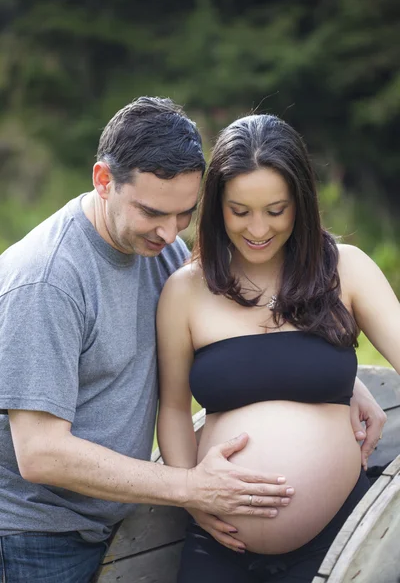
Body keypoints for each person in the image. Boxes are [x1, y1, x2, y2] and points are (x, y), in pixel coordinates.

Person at [0, 98, 384, 583]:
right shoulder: (48, 280)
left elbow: (246, 344)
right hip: (38, 539)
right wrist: (190, 488)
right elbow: (39, 452)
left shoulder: (159, 252)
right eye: (153, 213)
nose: (169, 232)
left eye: (185, 214)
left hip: (118, 523)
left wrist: (337, 375)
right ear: (103, 180)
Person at [156, 113, 394, 582]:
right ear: (216, 204)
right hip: (217, 542)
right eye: (239, 211)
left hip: (337, 541)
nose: (258, 229)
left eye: (276, 209)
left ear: (301, 203)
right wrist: (191, 494)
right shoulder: (185, 291)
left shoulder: (346, 270)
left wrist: (349, 385)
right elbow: (174, 409)